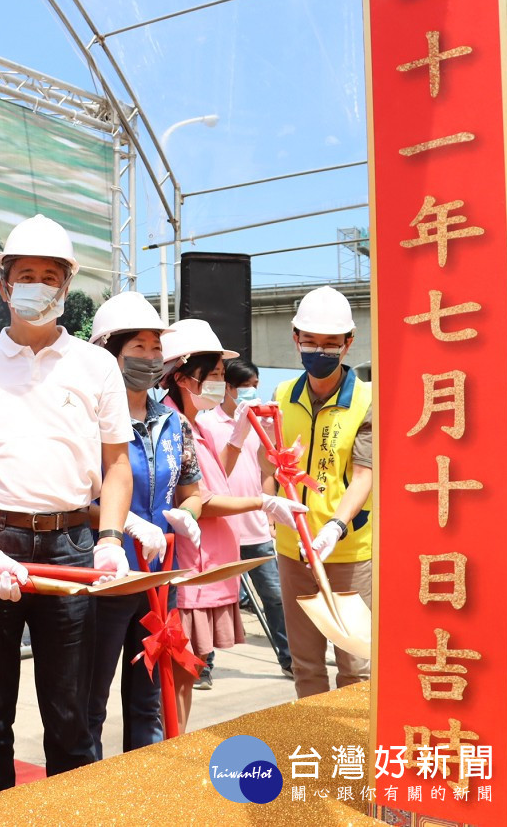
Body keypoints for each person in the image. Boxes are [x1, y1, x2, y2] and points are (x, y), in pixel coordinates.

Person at [0, 215, 133, 798]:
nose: (37, 286)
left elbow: (116, 465)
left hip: (72, 550)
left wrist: (109, 539)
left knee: (72, 717)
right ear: (4, 286)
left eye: (50, 277)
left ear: (66, 288)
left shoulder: (97, 365)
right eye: (24, 275)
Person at [159, 320, 306, 730]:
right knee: (179, 676)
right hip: (191, 571)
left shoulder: (198, 425)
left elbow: (212, 481)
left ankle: (172, 747)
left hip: (209, 568)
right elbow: (198, 501)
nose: (221, 386)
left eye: (223, 377)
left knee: (188, 675)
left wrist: (238, 439)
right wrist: (262, 500)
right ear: (183, 377)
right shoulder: (174, 425)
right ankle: (162, 757)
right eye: (216, 376)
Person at [85, 292, 199, 755]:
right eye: (139, 349)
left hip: (158, 581)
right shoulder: (88, 420)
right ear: (109, 352)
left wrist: (185, 515)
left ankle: (143, 791)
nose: (152, 359)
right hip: (107, 578)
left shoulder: (173, 423)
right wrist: (126, 524)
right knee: (89, 701)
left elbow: (191, 490)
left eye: (157, 349)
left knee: (148, 698)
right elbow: (79, 495)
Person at [260, 286, 372, 699]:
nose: (319, 351)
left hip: (347, 553)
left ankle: (353, 757)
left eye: (330, 344)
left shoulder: (365, 400)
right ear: (295, 338)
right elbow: (268, 463)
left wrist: (335, 528)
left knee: (355, 665)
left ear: (349, 342)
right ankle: (316, 752)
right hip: (292, 550)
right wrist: (270, 503)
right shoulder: (281, 396)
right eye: (310, 342)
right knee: (306, 664)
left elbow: (363, 475)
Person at [197, 358, 293, 679]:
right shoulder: (205, 424)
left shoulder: (256, 423)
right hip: (221, 528)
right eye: (245, 386)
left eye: (256, 385)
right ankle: (202, 665)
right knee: (207, 599)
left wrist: (270, 515)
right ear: (228, 387)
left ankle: (290, 660)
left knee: (275, 597)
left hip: (255, 528)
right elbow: (213, 475)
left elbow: (266, 471)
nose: (252, 391)